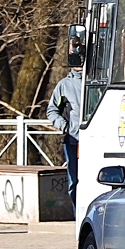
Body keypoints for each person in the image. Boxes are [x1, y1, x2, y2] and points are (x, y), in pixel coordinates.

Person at [45, 55, 86, 209]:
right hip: (73, 140)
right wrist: (66, 127)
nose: (79, 63)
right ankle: (77, 216)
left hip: (96, 139)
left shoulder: (99, 81)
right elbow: (52, 110)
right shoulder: (64, 85)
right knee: (74, 181)